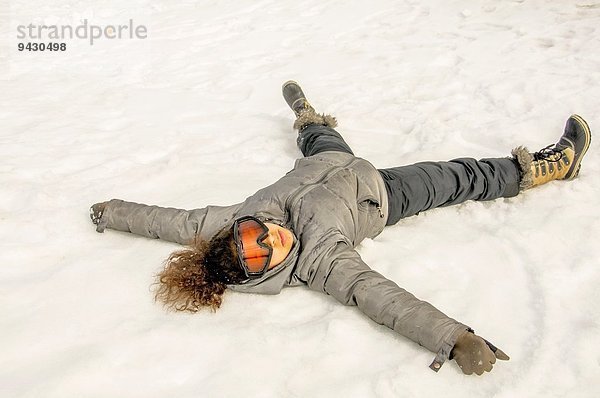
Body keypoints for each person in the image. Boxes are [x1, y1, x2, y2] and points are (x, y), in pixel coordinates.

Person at [90, 81, 591, 376]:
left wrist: (112, 210)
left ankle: (306, 116)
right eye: (265, 253)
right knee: (461, 177)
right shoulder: (321, 263)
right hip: (380, 192)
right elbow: (381, 297)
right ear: (260, 274)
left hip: (330, 160)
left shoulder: (226, 221)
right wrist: (454, 339)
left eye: (256, 233)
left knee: (322, 138)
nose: (271, 237)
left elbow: (165, 221)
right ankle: (548, 167)